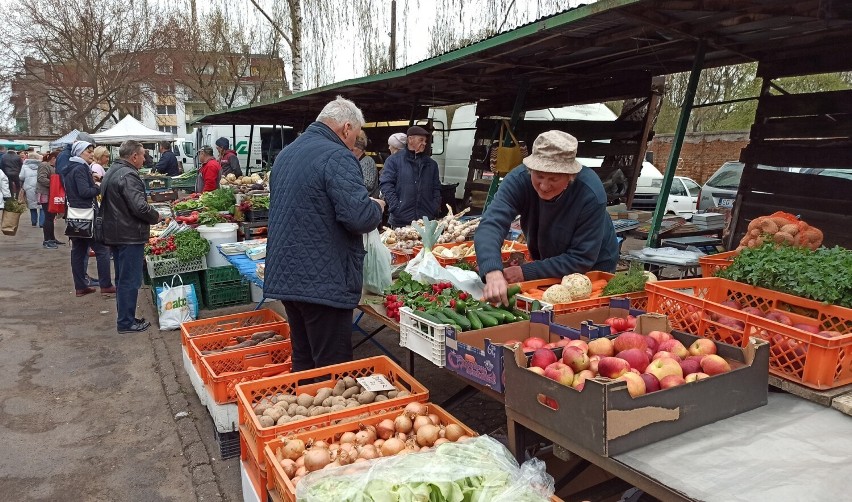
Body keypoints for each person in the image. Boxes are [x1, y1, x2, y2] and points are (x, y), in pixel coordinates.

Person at [265, 96, 385, 371]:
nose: (354, 143)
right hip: (323, 281)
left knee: (305, 360)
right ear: (345, 128)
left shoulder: (287, 153)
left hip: (288, 276)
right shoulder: (337, 155)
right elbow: (357, 217)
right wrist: (376, 207)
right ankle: (329, 415)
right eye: (354, 136)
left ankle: (306, 411)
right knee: (333, 369)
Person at [475, 130, 619, 306]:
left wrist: (525, 272)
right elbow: (492, 224)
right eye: (539, 176)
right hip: (547, 257)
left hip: (593, 267)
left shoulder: (590, 193)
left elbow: (580, 258)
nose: (544, 186)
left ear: (570, 176)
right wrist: (492, 271)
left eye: (553, 179)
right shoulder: (518, 180)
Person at [101, 140, 161, 334]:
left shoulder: (113, 170)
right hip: (128, 234)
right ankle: (126, 322)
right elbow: (139, 206)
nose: (145, 159)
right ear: (134, 156)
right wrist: (156, 216)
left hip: (117, 232)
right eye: (143, 155)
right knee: (129, 280)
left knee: (122, 278)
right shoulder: (128, 175)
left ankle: (125, 318)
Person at [64, 140, 115, 297]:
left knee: (78, 251)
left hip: (75, 214)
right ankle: (105, 285)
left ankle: (80, 287)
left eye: (92, 151)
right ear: (79, 153)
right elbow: (85, 191)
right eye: (88, 151)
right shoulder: (79, 168)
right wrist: (98, 187)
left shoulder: (70, 168)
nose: (92, 154)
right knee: (102, 249)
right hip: (86, 214)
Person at [379, 125, 441, 228]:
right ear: (410, 139)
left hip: (425, 221)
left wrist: (434, 207)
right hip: (401, 221)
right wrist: (396, 207)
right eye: (421, 140)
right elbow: (386, 184)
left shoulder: (431, 164)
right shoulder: (394, 160)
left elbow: (436, 188)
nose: (424, 143)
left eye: (425, 141)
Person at [37, 152, 63, 249]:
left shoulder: (52, 167)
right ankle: (47, 240)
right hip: (45, 194)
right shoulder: (44, 165)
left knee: (51, 217)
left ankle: (52, 238)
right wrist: (55, 184)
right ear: (53, 158)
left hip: (51, 194)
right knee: (48, 217)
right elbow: (41, 178)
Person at [353, 130, 380, 197]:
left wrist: (350, 181)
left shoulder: (367, 161)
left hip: (367, 200)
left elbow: (368, 184)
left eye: (352, 149)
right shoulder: (355, 161)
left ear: (359, 149)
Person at [20, 152, 43, 227]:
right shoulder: (42, 166)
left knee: (31, 204)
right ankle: (41, 222)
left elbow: (21, 177)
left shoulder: (24, 166)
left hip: (28, 186)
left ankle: (34, 221)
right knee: (42, 205)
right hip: (40, 187)